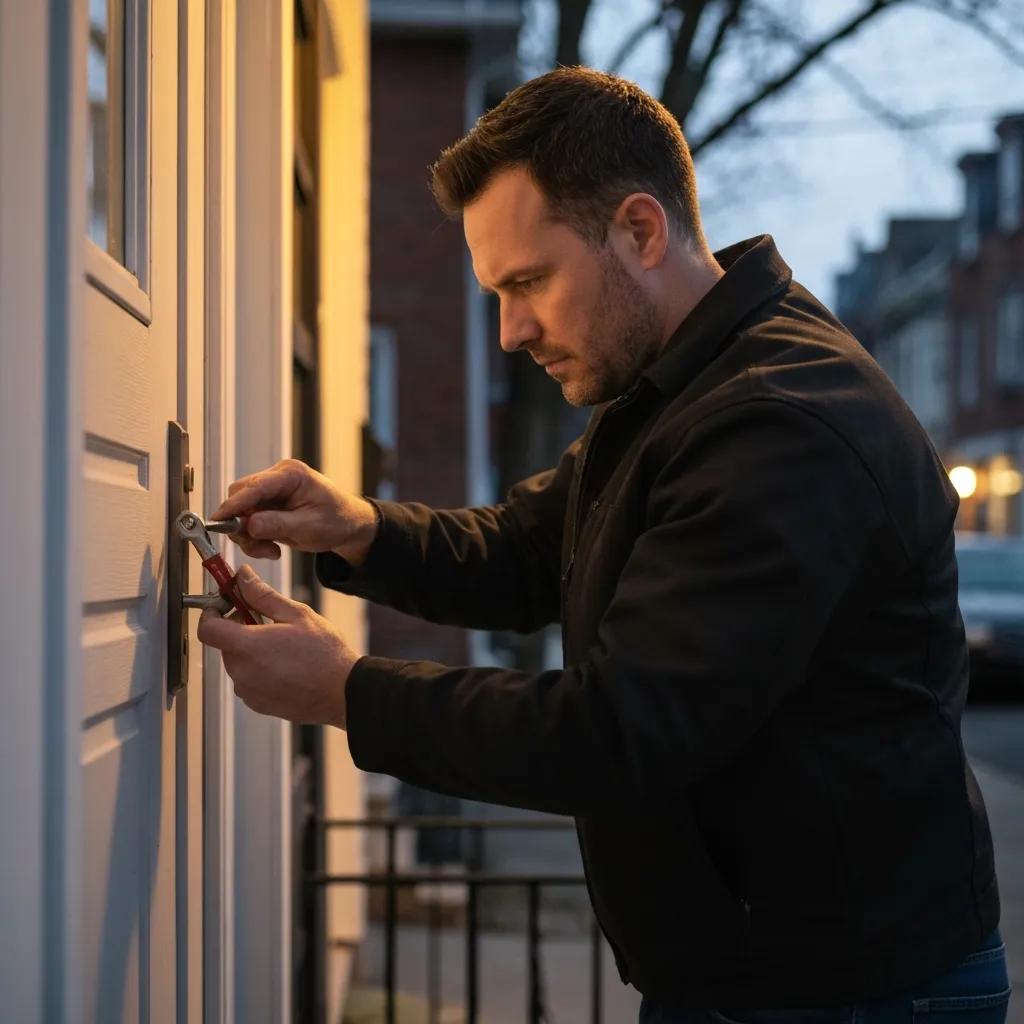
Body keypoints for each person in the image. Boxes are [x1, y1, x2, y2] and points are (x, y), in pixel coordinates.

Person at [197, 68, 1009, 1022]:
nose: (509, 332)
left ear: (640, 230)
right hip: (757, 973)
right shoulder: (680, 385)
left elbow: (621, 731)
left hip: (851, 990)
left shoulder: (780, 425)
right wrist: (360, 529)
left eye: (528, 282)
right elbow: (533, 550)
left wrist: (346, 692)